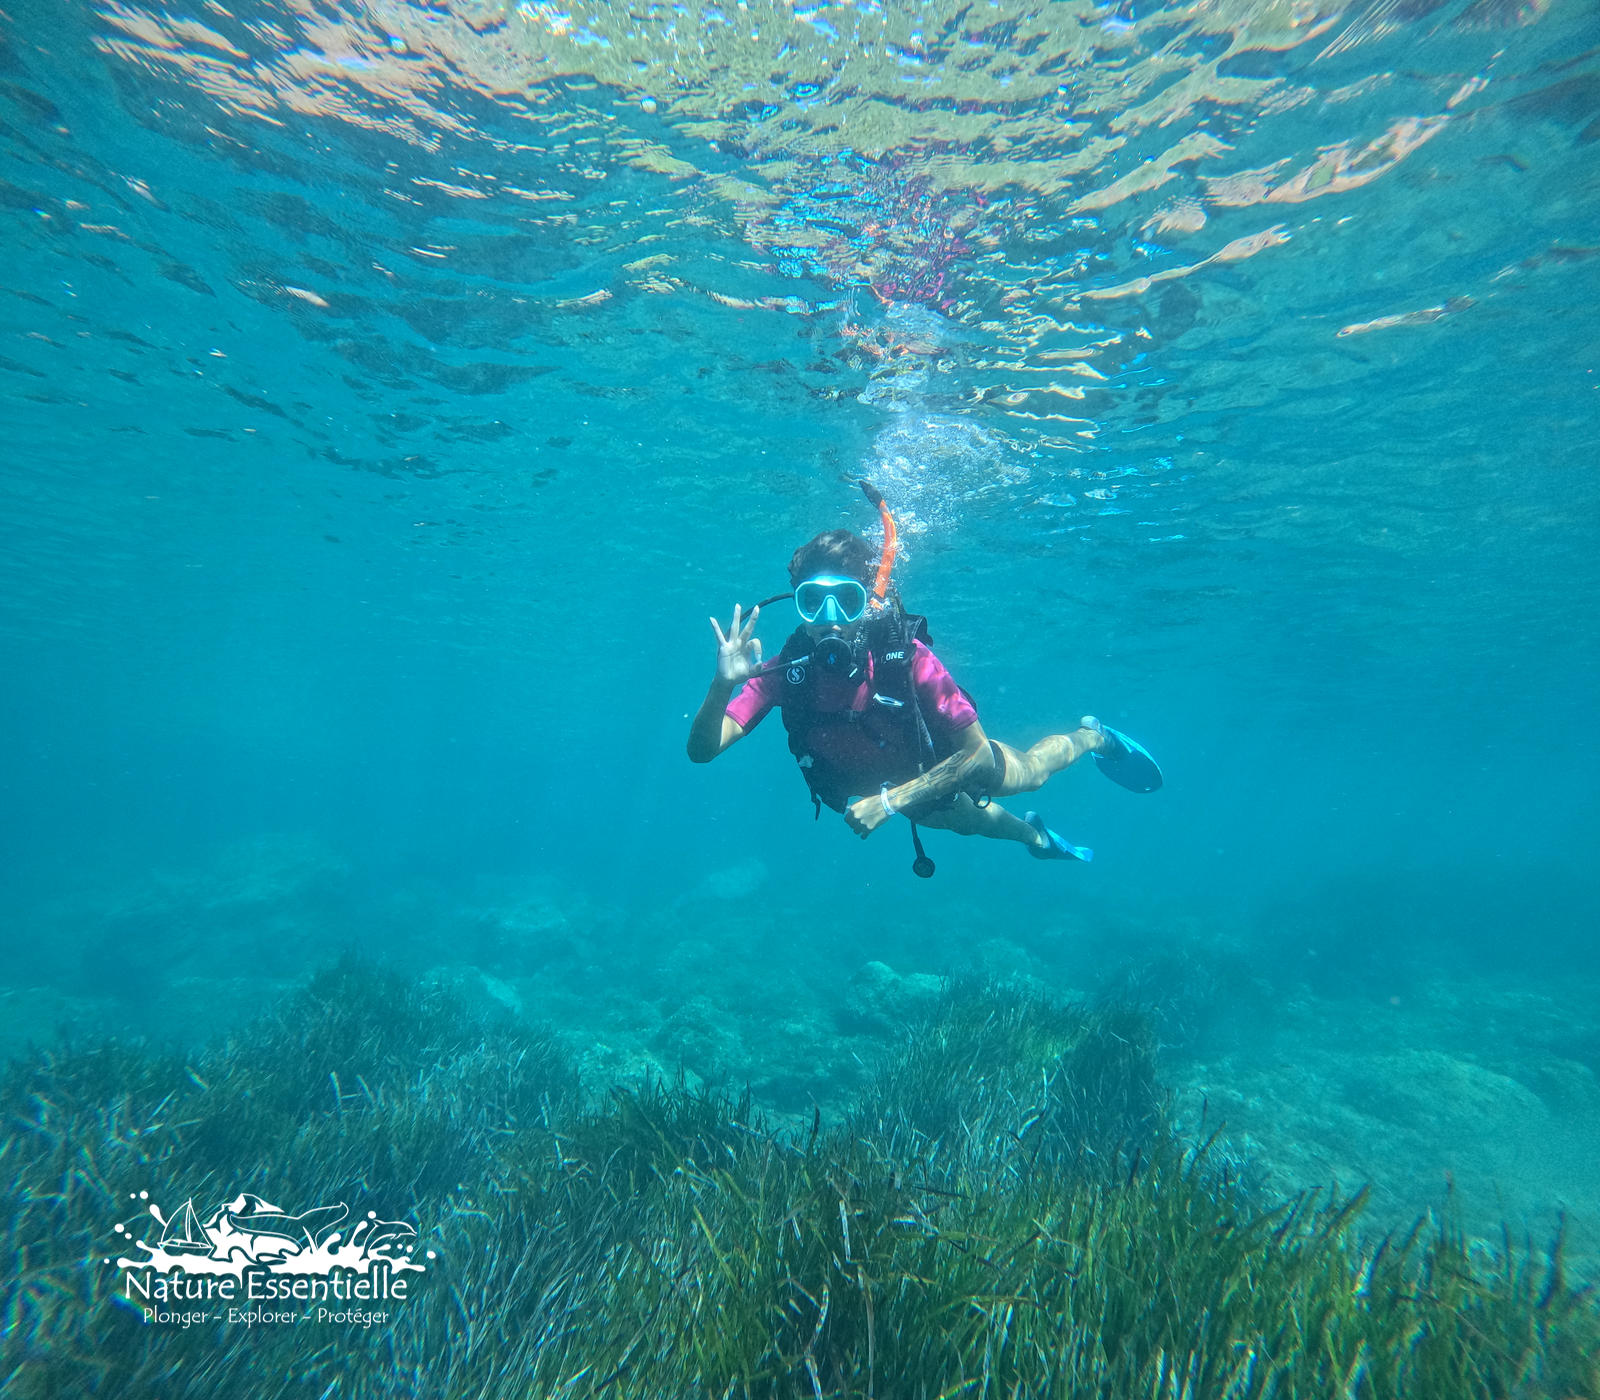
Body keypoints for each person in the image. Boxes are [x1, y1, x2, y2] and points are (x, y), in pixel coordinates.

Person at [686, 490, 1162, 875]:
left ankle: (1095, 737)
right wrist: (721, 686)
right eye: (813, 603)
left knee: (1031, 774)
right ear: (798, 606)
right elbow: (702, 752)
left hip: (934, 769)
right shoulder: (785, 672)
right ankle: (1038, 838)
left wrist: (891, 802)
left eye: (846, 602)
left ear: (869, 603)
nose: (830, 619)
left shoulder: (906, 657)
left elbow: (976, 755)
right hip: (895, 786)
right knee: (972, 824)